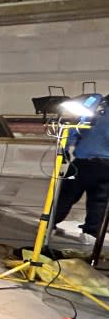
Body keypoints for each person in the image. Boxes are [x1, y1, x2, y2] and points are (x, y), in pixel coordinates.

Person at [52, 98, 109, 246]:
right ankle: (91, 233)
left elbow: (72, 130)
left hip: (84, 163)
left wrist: (64, 151)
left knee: (66, 196)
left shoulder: (93, 111)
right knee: (99, 202)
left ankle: (50, 224)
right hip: (107, 167)